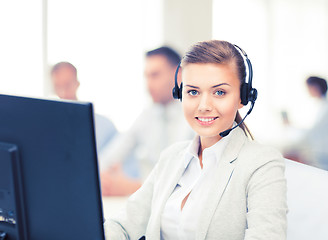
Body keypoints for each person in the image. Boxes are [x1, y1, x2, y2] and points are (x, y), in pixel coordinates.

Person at [104, 40, 287, 239]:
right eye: (193, 92)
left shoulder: (262, 163)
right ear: (180, 94)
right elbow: (122, 225)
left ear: (243, 97)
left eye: (219, 92)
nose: (203, 105)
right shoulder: (172, 157)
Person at [100, 47, 194, 195]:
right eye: (147, 76)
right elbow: (110, 156)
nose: (148, 85)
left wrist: (135, 188)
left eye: (155, 75)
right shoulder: (148, 115)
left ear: (179, 75)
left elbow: (186, 181)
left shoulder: (197, 115)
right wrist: (102, 178)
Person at [51, 62, 117, 153]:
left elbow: (124, 164)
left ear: (77, 84)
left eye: (67, 85)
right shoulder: (50, 129)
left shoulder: (105, 127)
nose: (63, 93)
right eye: (58, 87)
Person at [282, 76, 328, 174]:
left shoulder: (326, 109)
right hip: (325, 156)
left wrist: (290, 127)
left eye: (309, 88)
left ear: (316, 88)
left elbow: (311, 133)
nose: (308, 91)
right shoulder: (321, 107)